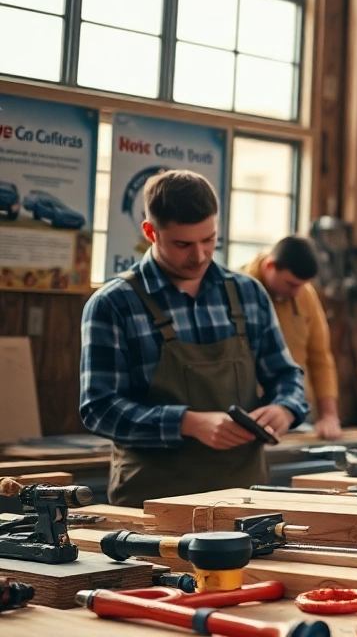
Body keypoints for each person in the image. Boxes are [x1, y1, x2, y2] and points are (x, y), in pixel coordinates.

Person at [81, 170, 309, 508]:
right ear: (150, 232)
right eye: (183, 244)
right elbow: (99, 408)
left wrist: (285, 408)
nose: (200, 255)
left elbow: (286, 375)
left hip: (243, 500)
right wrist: (186, 423)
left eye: (209, 239)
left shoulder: (247, 294)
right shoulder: (113, 304)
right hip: (153, 502)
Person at [242, 237, 342, 440]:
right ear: (270, 266)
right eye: (291, 284)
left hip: (292, 411)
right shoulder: (239, 290)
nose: (297, 293)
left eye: (303, 285)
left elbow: (320, 357)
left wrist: (329, 415)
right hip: (247, 413)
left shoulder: (305, 295)